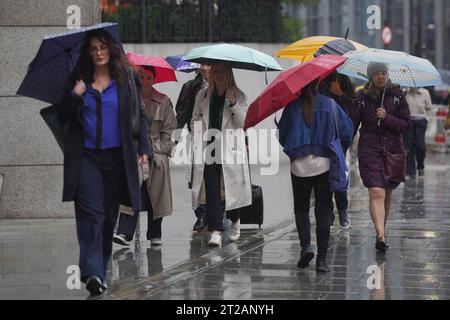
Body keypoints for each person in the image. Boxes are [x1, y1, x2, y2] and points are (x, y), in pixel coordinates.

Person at [57, 29, 151, 297]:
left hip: (116, 158)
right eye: (93, 48)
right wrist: (75, 94)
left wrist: (144, 146)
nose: (99, 52)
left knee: (109, 217)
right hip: (86, 157)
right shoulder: (78, 79)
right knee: (91, 214)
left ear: (111, 49)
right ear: (88, 52)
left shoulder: (127, 78)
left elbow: (140, 115)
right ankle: (93, 273)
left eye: (103, 47)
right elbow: (63, 115)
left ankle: (100, 268)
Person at [278, 79, 353, 273]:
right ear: (318, 86)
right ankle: (322, 260)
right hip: (324, 165)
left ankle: (305, 247)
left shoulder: (292, 107)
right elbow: (347, 131)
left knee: (301, 208)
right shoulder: (330, 105)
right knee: (323, 210)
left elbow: (283, 136)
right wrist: (339, 149)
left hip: (299, 167)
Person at [349, 62, 411, 253]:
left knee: (387, 193)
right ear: (370, 76)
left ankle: (382, 230)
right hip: (369, 150)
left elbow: (406, 125)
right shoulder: (361, 98)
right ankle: (380, 235)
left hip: (392, 151)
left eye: (383, 73)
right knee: (376, 191)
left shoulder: (397, 96)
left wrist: (387, 118)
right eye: (376, 73)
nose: (381, 77)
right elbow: (352, 124)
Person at [114, 65, 177, 247]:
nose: (145, 81)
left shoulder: (163, 101)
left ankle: (155, 233)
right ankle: (125, 232)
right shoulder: (128, 99)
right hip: (135, 150)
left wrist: (163, 148)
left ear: (154, 79)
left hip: (157, 151)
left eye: (149, 77)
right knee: (132, 190)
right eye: (141, 76)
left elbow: (169, 127)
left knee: (155, 194)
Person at [190, 61, 251, 247]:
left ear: (229, 73)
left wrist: (232, 104)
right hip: (209, 147)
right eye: (216, 71)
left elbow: (244, 122)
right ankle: (215, 230)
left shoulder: (237, 94)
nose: (219, 74)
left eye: (223, 71)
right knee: (212, 189)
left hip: (230, 148)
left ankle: (235, 220)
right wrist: (197, 134)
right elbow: (195, 118)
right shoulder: (202, 95)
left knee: (233, 187)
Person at [175, 64, 211, 231]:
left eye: (209, 64)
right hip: (197, 137)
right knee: (197, 177)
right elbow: (181, 113)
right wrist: (173, 139)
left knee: (217, 176)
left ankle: (217, 212)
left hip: (219, 137)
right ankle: (201, 214)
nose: (206, 68)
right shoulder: (190, 87)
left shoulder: (224, 84)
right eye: (203, 64)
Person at [319, 71, 355, 228]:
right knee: (322, 176)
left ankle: (342, 208)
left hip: (339, 135)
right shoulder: (317, 80)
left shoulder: (343, 79)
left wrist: (340, 93)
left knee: (338, 172)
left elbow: (354, 105)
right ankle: (328, 211)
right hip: (320, 133)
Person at [403, 87, 432, 178]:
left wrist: (426, 119)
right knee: (409, 147)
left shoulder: (425, 92)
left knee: (420, 146)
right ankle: (410, 171)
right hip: (408, 122)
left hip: (420, 122)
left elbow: (429, 108)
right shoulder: (404, 92)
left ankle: (420, 166)